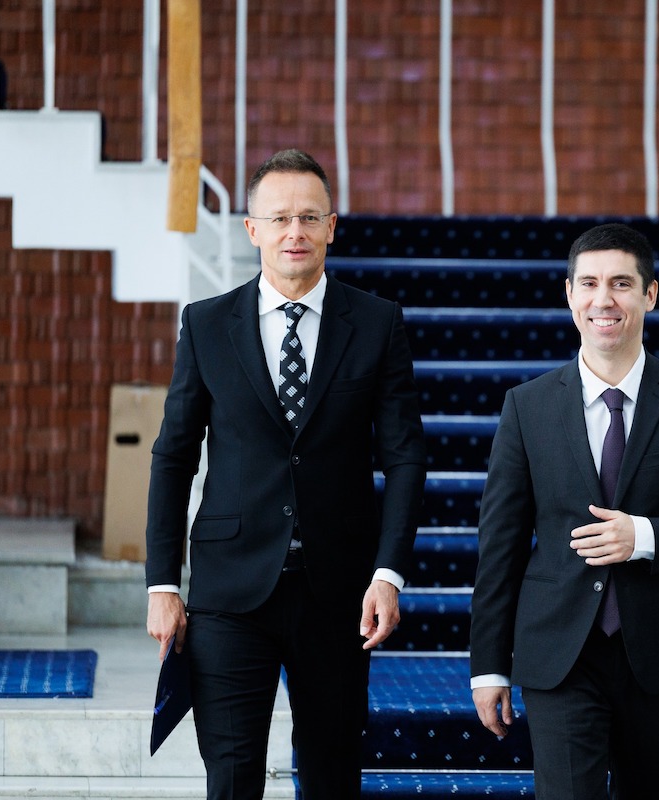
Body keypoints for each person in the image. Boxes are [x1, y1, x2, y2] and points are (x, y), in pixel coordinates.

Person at [145, 148, 426, 800]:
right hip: (229, 591)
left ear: (332, 226)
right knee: (232, 776)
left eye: (308, 217)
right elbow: (173, 455)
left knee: (331, 774)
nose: (293, 232)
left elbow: (405, 457)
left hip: (339, 593)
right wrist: (162, 583)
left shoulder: (377, 323)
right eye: (279, 219)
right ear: (252, 229)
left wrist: (388, 573)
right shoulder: (206, 324)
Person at [469, 222, 659, 799]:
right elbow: (500, 545)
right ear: (569, 294)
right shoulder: (526, 407)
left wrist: (644, 536)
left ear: (650, 295)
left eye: (622, 284)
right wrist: (489, 665)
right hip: (559, 652)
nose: (604, 299)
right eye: (590, 283)